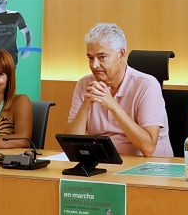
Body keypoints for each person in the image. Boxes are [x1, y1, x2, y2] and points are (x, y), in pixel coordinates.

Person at [67, 23, 172, 157]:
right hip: (104, 164)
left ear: (121, 54)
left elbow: (148, 148)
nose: (94, 65)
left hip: (148, 168)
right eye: (90, 58)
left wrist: (112, 105)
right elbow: (72, 145)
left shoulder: (147, 85)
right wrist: (86, 105)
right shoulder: (84, 84)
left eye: (102, 57)